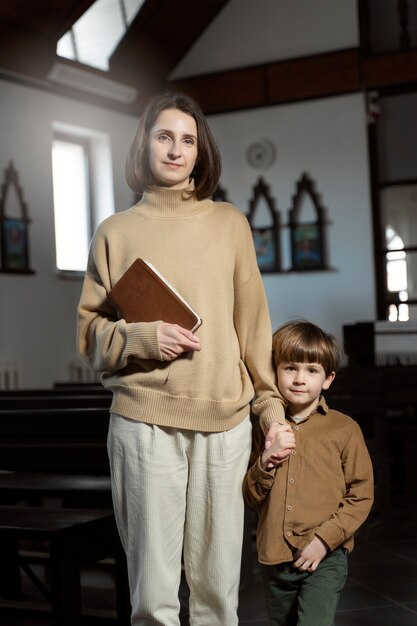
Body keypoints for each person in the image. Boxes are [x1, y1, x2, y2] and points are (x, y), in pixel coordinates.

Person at [77, 91, 286, 626]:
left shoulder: (229, 224)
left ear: (201, 151)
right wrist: (144, 338)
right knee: (153, 599)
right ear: (144, 144)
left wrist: (271, 411)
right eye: (164, 136)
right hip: (144, 423)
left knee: (218, 596)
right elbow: (89, 337)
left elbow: (253, 324)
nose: (175, 150)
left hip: (225, 423)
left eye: (188, 139)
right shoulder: (115, 232)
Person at [243, 320, 374, 626]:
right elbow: (250, 496)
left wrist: (325, 540)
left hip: (325, 557)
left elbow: (361, 495)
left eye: (311, 370)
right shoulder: (263, 430)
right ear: (275, 372)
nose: (300, 379)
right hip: (273, 557)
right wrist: (266, 463)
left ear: (327, 379)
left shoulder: (344, 429)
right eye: (290, 368)